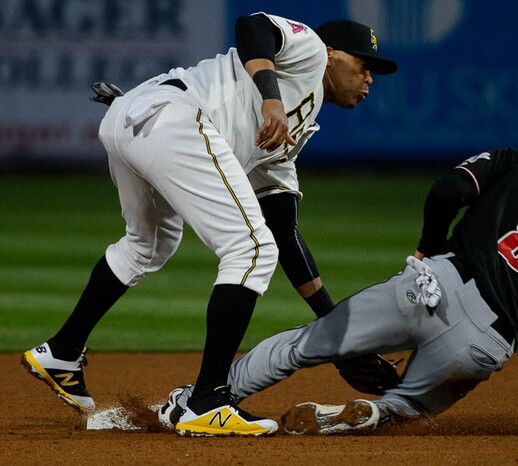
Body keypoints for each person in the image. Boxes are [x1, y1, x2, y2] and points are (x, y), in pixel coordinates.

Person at [21, 12, 397, 437]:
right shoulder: (309, 48)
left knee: (149, 243)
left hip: (134, 115)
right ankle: (206, 402)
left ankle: (62, 350)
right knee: (249, 250)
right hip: (170, 116)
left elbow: (284, 229)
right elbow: (254, 25)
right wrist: (269, 97)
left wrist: (334, 332)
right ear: (331, 55)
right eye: (363, 65)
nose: (369, 79)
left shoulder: (294, 131)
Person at [159, 135, 518, 435]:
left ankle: (199, 402)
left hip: (433, 285)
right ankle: (372, 413)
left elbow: (448, 189)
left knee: (304, 344)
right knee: (405, 409)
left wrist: (429, 247)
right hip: (483, 346)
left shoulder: (516, 163)